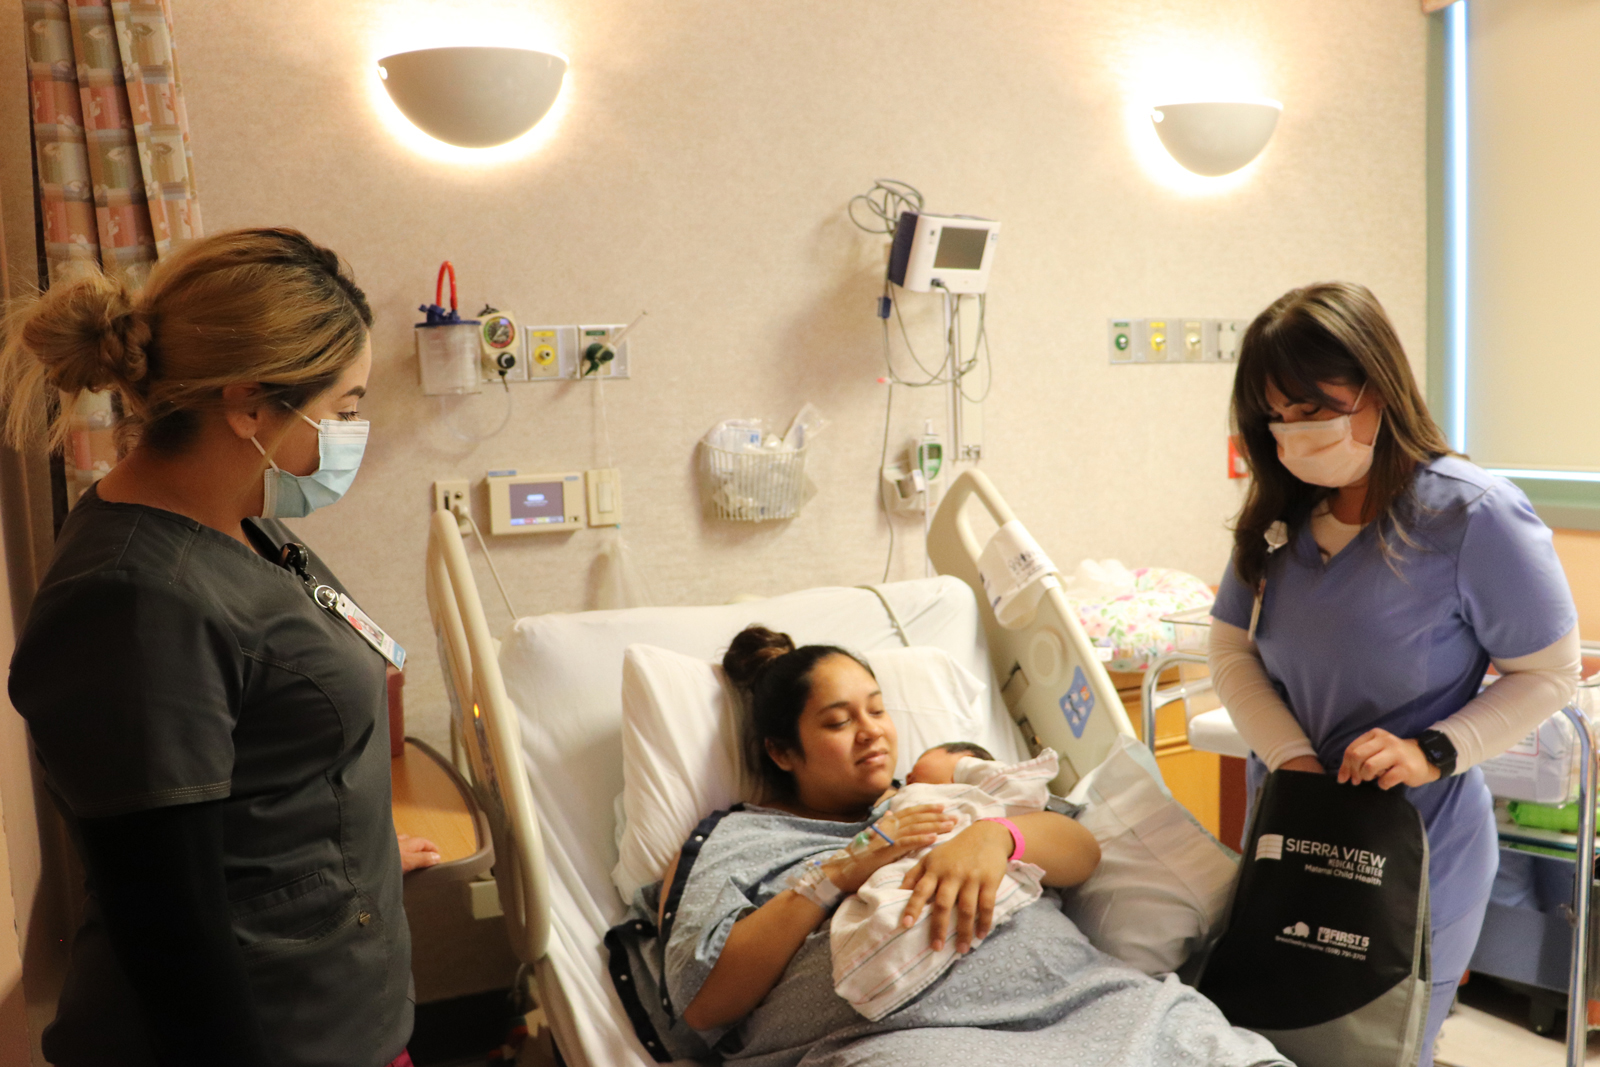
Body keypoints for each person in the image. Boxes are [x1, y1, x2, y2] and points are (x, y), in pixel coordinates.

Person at [3, 229, 438, 1067]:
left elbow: (257, 739)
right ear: (247, 406)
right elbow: (166, 920)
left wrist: (357, 844)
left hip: (336, 1011)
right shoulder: (131, 598)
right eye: (344, 408)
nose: (356, 431)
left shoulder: (240, 517)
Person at [1207, 282, 1580, 1067]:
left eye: (1315, 408)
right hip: (1293, 827)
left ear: (1378, 387)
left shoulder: (1472, 516)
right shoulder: (1281, 516)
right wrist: (1293, 759)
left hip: (1417, 847)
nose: (1296, 432)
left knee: (1382, 1047)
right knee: (1276, 1040)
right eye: (1278, 414)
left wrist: (1431, 750)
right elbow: (1231, 649)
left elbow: (1550, 674)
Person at [636, 625, 1288, 1066]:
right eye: (837, 721)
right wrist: (844, 868)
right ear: (781, 751)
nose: (871, 732)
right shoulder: (739, 837)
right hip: (902, 1041)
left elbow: (1081, 851)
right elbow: (705, 999)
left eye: (876, 708)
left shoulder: (937, 789)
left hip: (1092, 1004)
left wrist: (993, 835)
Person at [830, 742, 1062, 1020]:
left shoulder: (980, 789)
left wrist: (967, 769)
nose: (908, 778)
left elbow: (1022, 790)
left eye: (918, 766)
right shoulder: (890, 807)